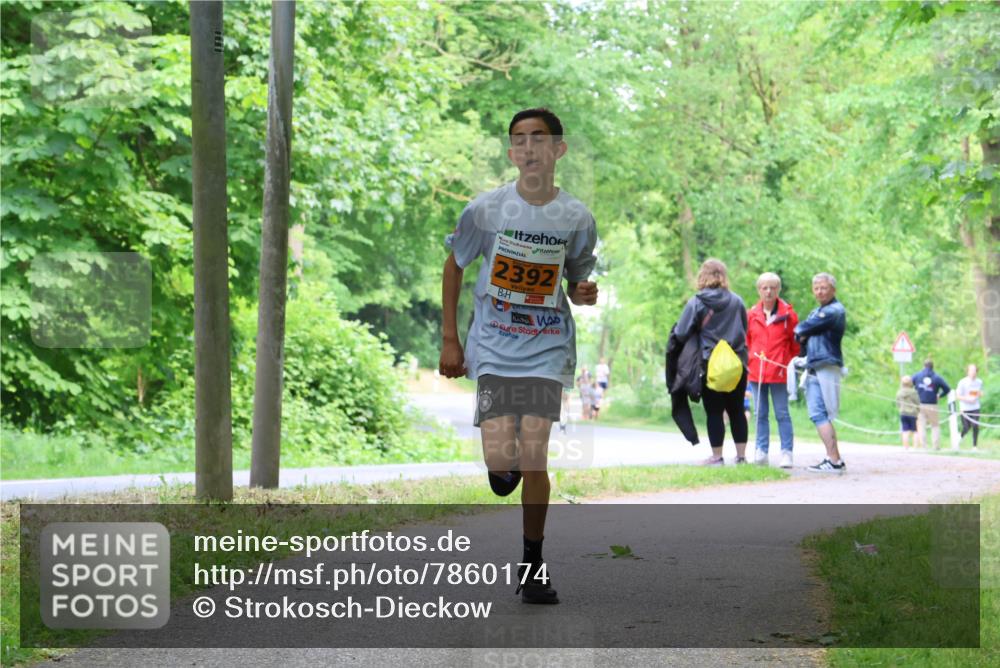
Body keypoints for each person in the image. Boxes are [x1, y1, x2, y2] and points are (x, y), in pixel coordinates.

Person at [439, 108, 598, 604]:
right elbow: (454, 264)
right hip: (493, 346)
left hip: (546, 347)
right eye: (520, 139)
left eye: (539, 138)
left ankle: (533, 564)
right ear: (512, 153)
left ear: (558, 149)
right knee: (500, 461)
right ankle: (500, 466)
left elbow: (576, 281)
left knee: (534, 456)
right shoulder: (486, 210)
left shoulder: (576, 218)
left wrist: (583, 292)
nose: (529, 147)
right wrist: (450, 339)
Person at [674, 259, 749, 466]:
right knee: (737, 410)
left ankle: (717, 457)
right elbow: (744, 328)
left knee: (714, 411)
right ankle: (741, 457)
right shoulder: (737, 301)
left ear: (703, 275)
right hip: (736, 364)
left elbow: (681, 332)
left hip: (709, 364)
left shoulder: (697, 302)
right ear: (723, 275)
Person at [794, 272, 847, 473]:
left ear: (833, 289)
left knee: (819, 414)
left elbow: (803, 328)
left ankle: (833, 461)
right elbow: (801, 334)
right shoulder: (817, 311)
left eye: (824, 288)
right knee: (821, 414)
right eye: (816, 288)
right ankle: (835, 459)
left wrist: (804, 332)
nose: (820, 292)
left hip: (825, 365)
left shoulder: (834, 310)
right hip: (817, 365)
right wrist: (804, 333)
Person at [746, 272, 799, 468]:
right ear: (759, 290)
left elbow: (795, 345)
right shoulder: (751, 315)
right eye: (765, 288)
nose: (768, 291)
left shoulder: (789, 315)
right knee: (760, 413)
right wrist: (751, 359)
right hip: (756, 372)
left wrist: (786, 362)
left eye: (773, 287)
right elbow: (747, 341)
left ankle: (787, 453)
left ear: (778, 289)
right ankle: (761, 451)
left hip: (779, 372)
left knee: (782, 413)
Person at [910, 358, 951, 451]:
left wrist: (914, 394)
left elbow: (908, 384)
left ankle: (924, 446)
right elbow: (947, 389)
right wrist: (940, 395)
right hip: (932, 405)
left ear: (923, 366)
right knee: (935, 425)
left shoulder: (917, 376)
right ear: (933, 367)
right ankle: (936, 446)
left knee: (921, 426)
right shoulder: (937, 377)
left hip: (920, 404)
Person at [956, 364, 983, 450]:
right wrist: (967, 399)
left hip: (975, 407)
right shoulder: (962, 382)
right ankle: (960, 437)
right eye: (971, 370)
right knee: (966, 427)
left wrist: (979, 394)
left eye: (974, 370)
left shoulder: (979, 382)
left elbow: (977, 392)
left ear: (977, 372)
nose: (973, 372)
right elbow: (958, 396)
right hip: (965, 408)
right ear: (967, 372)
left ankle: (974, 446)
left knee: (975, 425)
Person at [896, 375, 921, 450]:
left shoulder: (899, 392)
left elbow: (898, 403)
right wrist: (918, 410)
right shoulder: (913, 392)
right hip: (913, 413)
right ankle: (915, 447)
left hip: (903, 413)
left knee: (905, 430)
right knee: (915, 431)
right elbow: (917, 402)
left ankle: (906, 447)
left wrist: (900, 408)